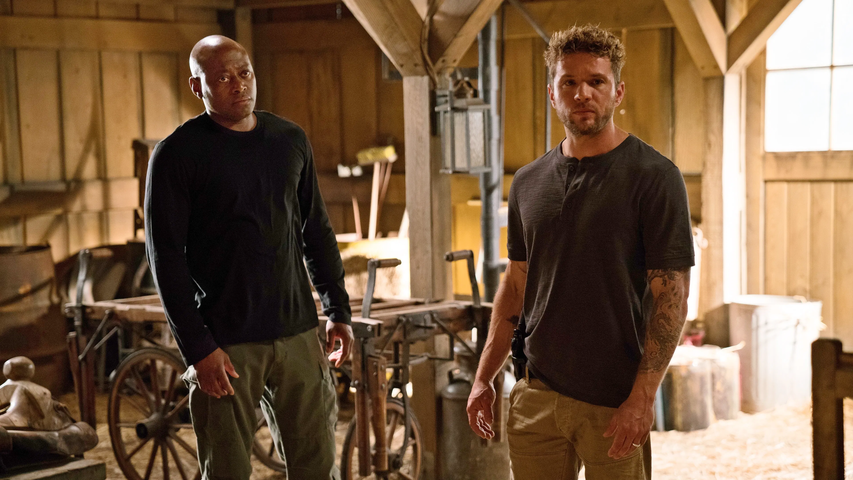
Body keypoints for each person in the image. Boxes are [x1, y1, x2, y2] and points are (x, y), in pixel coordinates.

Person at [466, 24, 694, 479]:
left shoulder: (654, 176)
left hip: (614, 401)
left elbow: (671, 298)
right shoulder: (527, 182)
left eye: (596, 81)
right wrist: (483, 378)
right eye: (568, 82)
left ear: (618, 92)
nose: (582, 93)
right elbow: (516, 284)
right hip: (536, 395)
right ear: (552, 94)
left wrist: (642, 398)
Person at [144, 35, 353, 480]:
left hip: (298, 333)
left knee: (318, 469)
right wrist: (198, 349)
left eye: (245, 73)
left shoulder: (288, 139)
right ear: (197, 86)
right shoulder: (177, 155)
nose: (239, 85)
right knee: (227, 472)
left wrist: (337, 309)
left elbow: (315, 229)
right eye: (222, 77)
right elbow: (165, 258)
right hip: (225, 344)